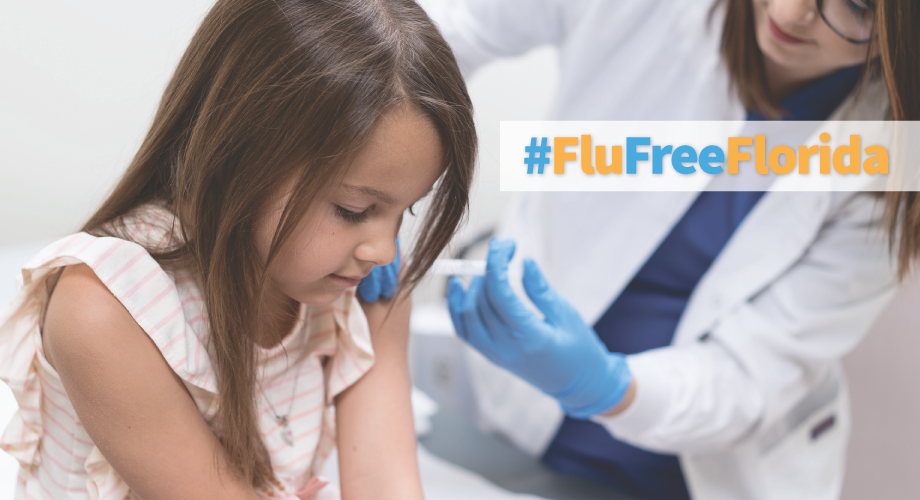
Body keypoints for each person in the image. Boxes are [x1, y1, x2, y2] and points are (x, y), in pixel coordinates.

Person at [416, 0, 917, 498]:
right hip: (516, 423)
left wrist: (606, 385)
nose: (790, 14)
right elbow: (433, 37)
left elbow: (748, 376)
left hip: (699, 468)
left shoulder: (892, 160)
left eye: (854, 6)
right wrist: (366, 192)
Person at [0, 0, 476, 498]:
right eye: (354, 210)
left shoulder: (361, 290)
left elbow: (386, 485)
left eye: (407, 211)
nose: (384, 249)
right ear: (242, 160)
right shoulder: (105, 309)